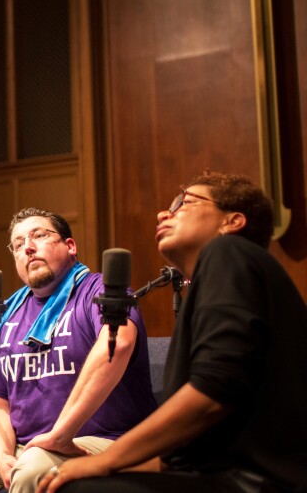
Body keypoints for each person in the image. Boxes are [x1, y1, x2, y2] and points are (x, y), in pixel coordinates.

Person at [38, 171, 307, 493]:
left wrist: (106, 461)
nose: (163, 214)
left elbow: (216, 391)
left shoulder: (228, 251)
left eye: (184, 203)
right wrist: (96, 468)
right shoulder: (224, 273)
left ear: (232, 221)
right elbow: (181, 456)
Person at [0, 208, 157, 493]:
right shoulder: (5, 316)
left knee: (33, 466)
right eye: (18, 245)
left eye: (39, 236)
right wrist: (3, 458)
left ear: (70, 246)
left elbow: (117, 345)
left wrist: (60, 435)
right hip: (29, 447)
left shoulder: (99, 290)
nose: (28, 248)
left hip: (107, 441)